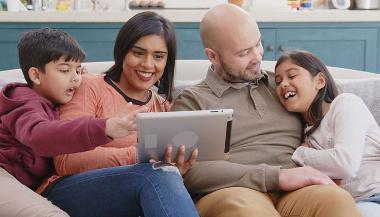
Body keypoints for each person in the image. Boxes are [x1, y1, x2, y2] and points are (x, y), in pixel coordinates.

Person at [172, 4, 362, 217]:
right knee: (245, 210)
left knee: (336, 200)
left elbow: (329, 122)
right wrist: (277, 176)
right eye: (244, 52)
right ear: (213, 56)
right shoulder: (193, 101)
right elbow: (190, 172)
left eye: (258, 43)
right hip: (232, 192)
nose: (257, 56)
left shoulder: (284, 85)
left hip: (296, 191)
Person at [40, 11, 200, 217]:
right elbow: (66, 159)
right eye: (138, 53)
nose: (148, 64)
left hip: (130, 195)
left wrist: (177, 168)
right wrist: (137, 156)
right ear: (122, 51)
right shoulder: (89, 86)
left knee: (162, 175)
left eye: (158, 56)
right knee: (155, 176)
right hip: (68, 191)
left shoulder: (163, 107)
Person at [0, 28, 145, 217]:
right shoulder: (23, 100)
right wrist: (105, 127)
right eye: (64, 70)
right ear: (36, 75)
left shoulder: (57, 102)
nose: (76, 78)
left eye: (78, 70)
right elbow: (39, 134)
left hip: (28, 188)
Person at [274, 49, 380, 217]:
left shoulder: (345, 104)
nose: (283, 84)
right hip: (343, 205)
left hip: (374, 198)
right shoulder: (305, 134)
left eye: (292, 76)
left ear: (320, 81)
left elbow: (345, 164)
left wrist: (300, 153)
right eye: (278, 81)